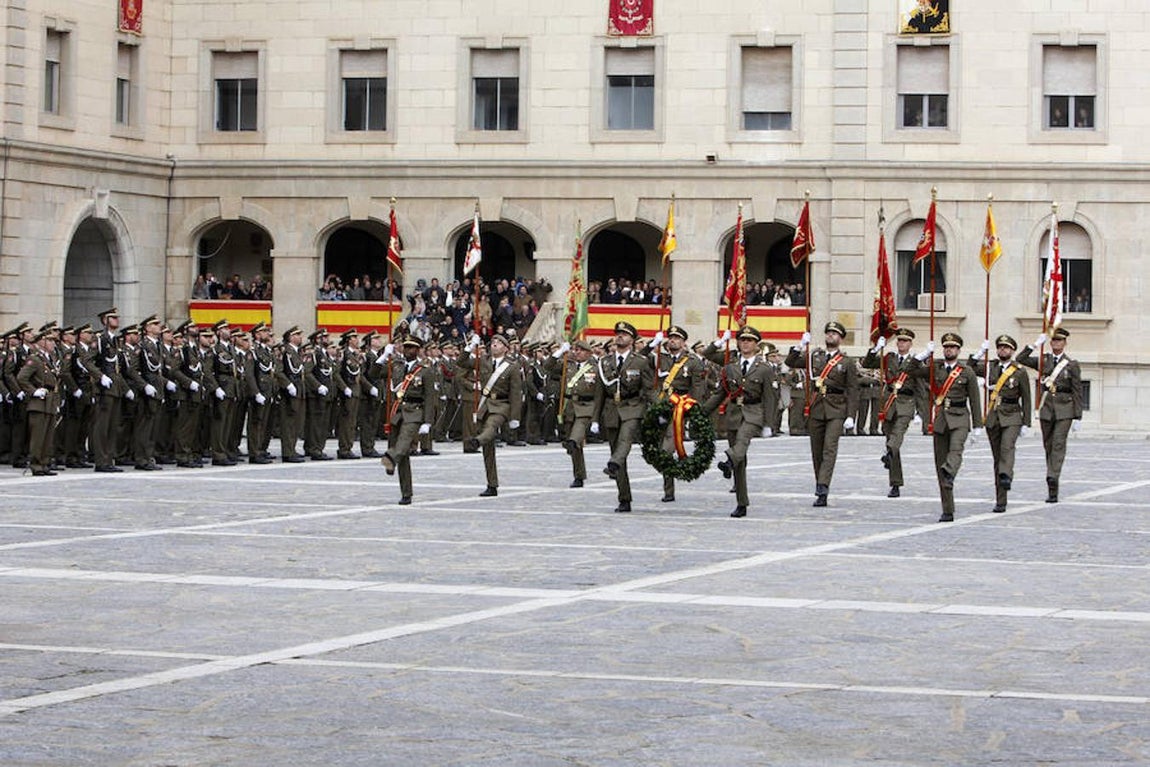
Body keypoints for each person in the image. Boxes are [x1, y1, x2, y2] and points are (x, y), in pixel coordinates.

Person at [702, 326, 775, 518]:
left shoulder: (765, 369)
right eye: (742, 340)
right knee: (740, 461)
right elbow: (720, 394)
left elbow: (770, 398)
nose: (745, 343)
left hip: (754, 413)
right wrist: (700, 412)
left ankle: (727, 460)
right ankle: (741, 502)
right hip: (734, 413)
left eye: (750, 340)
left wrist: (769, 424)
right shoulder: (730, 366)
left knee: (743, 440)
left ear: (756, 345)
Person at [785, 321, 859, 507]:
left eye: (834, 334)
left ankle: (823, 485)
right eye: (828, 333)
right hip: (817, 407)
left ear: (840, 338)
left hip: (836, 408)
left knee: (829, 448)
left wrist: (851, 415)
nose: (830, 336)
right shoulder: (814, 356)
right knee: (816, 451)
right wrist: (800, 345)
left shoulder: (846, 362)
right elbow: (790, 362)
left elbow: (852, 390)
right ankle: (821, 487)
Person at [919, 332, 983, 522]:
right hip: (940, 421)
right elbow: (910, 370)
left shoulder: (966, 372)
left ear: (958, 350)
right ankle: (947, 509)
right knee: (940, 466)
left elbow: (975, 399)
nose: (949, 350)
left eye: (953, 347)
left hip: (960, 418)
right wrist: (922, 355)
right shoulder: (935, 368)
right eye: (946, 347)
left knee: (956, 450)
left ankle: (950, 470)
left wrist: (978, 425)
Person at [1017, 327, 1082, 503]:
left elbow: (1077, 390)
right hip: (1047, 408)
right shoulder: (1044, 360)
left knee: (1058, 444)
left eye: (1059, 341)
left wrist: (1078, 416)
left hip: (1065, 409)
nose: (1056, 343)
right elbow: (1020, 359)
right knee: (1049, 445)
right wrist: (1035, 344)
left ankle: (1053, 478)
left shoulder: (1071, 364)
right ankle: (1052, 482)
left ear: (1065, 343)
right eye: (1053, 341)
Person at [595, 321, 654, 512]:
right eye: (618, 333)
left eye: (625, 334)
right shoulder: (604, 362)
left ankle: (613, 464)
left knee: (625, 439)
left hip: (633, 407)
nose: (620, 336)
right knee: (617, 453)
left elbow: (649, 389)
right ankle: (624, 497)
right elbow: (600, 394)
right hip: (612, 409)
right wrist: (595, 419)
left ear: (632, 340)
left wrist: (660, 409)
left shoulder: (640, 361)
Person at [968, 334, 1032, 513]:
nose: (1003, 350)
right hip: (993, 416)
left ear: (1012, 351)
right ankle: (1001, 499)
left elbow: (1026, 398)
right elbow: (969, 368)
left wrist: (1026, 422)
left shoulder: (1019, 371)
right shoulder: (990, 368)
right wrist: (980, 352)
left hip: (1012, 416)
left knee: (1007, 448)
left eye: (1006, 347)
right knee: (997, 459)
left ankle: (1006, 474)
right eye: (1000, 347)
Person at [646, 325, 708, 503]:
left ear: (683, 342)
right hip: (659, 407)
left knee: (666, 451)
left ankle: (668, 491)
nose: (672, 340)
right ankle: (670, 480)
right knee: (657, 451)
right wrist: (652, 343)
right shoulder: (658, 358)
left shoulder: (692, 362)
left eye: (677, 338)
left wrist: (694, 411)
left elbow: (697, 388)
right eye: (670, 337)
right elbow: (640, 358)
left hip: (678, 410)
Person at [861, 328, 926, 498]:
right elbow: (867, 363)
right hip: (889, 403)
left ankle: (888, 452)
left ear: (910, 344)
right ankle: (895, 483)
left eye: (905, 341)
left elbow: (921, 389)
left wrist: (921, 412)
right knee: (892, 443)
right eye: (899, 341)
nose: (901, 343)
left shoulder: (916, 362)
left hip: (906, 403)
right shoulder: (889, 358)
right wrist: (876, 348)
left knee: (896, 437)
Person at [459, 332, 523, 497]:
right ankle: (492, 484)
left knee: (491, 427)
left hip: (502, 405)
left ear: (506, 348)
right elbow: (462, 362)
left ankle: (476, 441)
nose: (494, 344)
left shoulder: (512, 366)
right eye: (493, 342)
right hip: (484, 405)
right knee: (489, 449)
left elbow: (516, 393)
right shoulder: (483, 360)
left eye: (498, 342)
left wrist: (515, 417)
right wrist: (470, 346)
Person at [380, 337, 436, 505]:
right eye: (406, 347)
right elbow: (375, 373)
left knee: (404, 443)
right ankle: (406, 493)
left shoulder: (425, 370)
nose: (408, 350)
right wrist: (383, 357)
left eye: (412, 348)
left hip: (415, 412)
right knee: (403, 456)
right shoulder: (397, 365)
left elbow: (429, 397)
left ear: (418, 350)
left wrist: (427, 421)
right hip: (397, 412)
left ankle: (390, 458)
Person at [548, 339, 600, 488]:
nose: (577, 352)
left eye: (581, 350)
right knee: (575, 446)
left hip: (586, 407)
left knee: (574, 438)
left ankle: (571, 443)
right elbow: (548, 367)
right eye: (575, 350)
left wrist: (596, 417)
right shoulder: (567, 364)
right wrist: (558, 353)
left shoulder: (595, 367)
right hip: (569, 406)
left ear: (589, 353)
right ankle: (579, 475)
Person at [16, 329, 61, 476]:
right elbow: (22, 378)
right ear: (42, 341)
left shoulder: (50, 359)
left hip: (50, 402)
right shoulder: (35, 359)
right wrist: (33, 391)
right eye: (50, 340)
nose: (53, 343)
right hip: (39, 403)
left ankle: (44, 463)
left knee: (48, 437)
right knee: (38, 437)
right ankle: (36, 465)